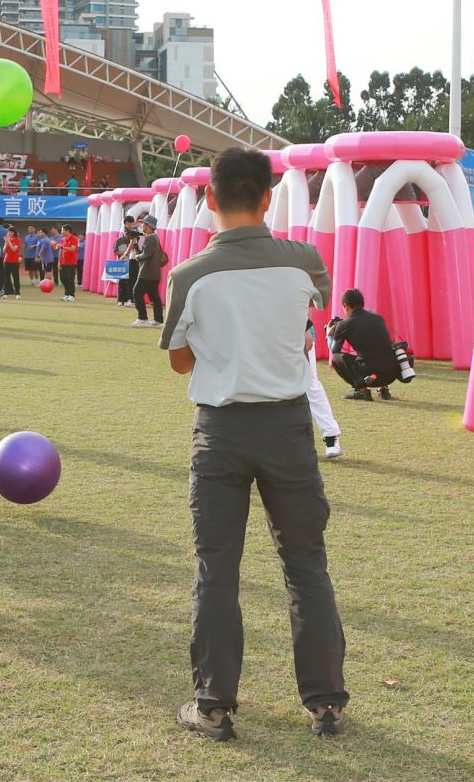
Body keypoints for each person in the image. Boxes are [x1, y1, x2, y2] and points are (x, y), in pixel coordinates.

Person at [159, 147, 347, 742]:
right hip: (287, 428)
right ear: (268, 198)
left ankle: (213, 706)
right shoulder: (305, 261)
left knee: (216, 568)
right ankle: (325, 703)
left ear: (210, 198)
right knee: (306, 565)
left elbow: (179, 361)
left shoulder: (188, 275)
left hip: (221, 432)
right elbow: (310, 320)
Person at [329, 290, 402, 401]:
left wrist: (329, 335)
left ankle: (362, 391)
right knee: (378, 351)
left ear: (345, 306)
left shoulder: (344, 324)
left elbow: (335, 350)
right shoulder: (378, 319)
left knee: (336, 358)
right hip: (390, 375)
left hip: (369, 377)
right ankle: (384, 389)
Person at [305, 320, 343, 460]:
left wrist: (305, 330)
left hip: (298, 333)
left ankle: (330, 437)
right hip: (265, 334)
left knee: (310, 385)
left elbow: (307, 306)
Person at [132, 215, 166, 327]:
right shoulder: (154, 238)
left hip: (147, 273)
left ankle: (142, 318)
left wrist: (137, 256)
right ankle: (158, 320)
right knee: (155, 297)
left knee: (137, 292)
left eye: (144, 224)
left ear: (148, 226)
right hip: (154, 274)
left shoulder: (150, 238)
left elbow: (146, 254)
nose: (142, 226)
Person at [57, 225, 80, 300]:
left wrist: (62, 247)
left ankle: (71, 295)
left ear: (67, 231)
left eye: (62, 230)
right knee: (63, 279)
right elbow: (60, 251)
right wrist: (59, 262)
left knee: (70, 279)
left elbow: (72, 249)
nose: (61, 232)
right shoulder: (62, 239)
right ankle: (66, 294)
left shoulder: (74, 239)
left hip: (71, 263)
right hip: (63, 262)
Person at [0, 224, 23, 297]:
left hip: (14, 261)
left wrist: (8, 242)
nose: (9, 233)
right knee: (6, 277)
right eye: (8, 232)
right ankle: (6, 292)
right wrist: (6, 242)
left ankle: (17, 292)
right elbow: (3, 251)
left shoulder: (17, 240)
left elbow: (14, 249)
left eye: (10, 232)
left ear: (13, 233)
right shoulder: (7, 240)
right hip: (6, 261)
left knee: (15, 277)